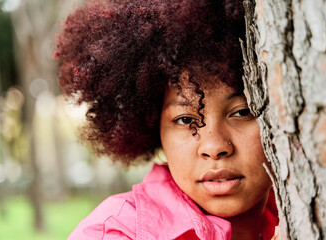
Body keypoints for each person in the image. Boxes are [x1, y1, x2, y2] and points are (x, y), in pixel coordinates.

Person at [55, 0, 279, 239]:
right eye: (184, 119)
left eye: (242, 112)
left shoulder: (309, 207)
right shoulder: (114, 233)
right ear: (155, 130)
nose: (214, 147)